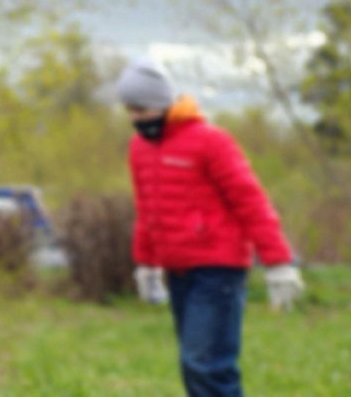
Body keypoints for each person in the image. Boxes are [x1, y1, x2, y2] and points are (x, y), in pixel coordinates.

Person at [116, 56, 302, 397]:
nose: (136, 119)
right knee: (193, 367)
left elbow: (251, 201)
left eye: (142, 110)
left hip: (219, 269)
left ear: (162, 104)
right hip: (178, 270)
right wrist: (146, 263)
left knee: (207, 364)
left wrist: (277, 262)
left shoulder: (211, 142)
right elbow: (147, 209)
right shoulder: (140, 149)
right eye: (130, 110)